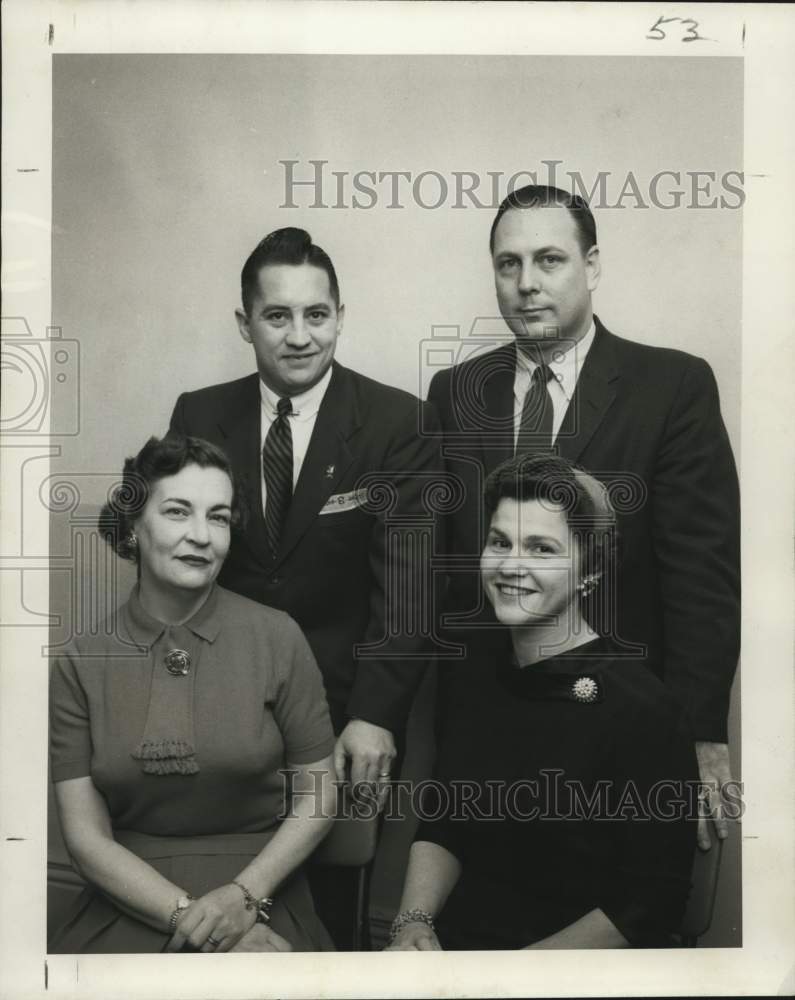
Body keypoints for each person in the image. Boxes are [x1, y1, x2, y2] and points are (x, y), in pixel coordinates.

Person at [427, 185, 740, 850]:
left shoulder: (670, 387)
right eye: (507, 265)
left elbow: (700, 577)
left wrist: (700, 732)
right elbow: (442, 567)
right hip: (486, 725)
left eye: (548, 260)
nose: (526, 284)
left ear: (591, 266)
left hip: (615, 729)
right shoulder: (454, 394)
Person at [167, 226, 443, 946]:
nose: (299, 336)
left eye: (316, 315)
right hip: (218, 710)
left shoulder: (396, 422)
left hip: (342, 716)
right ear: (244, 323)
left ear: (340, 316)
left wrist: (378, 714)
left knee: (328, 922)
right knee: (214, 906)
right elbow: (178, 562)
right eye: (277, 316)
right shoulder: (199, 413)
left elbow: (410, 587)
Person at [387, 454, 698, 951]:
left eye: (542, 549)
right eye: (499, 542)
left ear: (588, 571)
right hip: (460, 953)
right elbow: (447, 822)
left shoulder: (644, 711)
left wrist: (511, 979)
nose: (511, 565)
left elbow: (649, 905)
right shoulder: (474, 677)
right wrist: (412, 923)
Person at [49, 434, 337, 953]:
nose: (202, 536)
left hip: (262, 890)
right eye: (179, 512)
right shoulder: (80, 661)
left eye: (219, 517)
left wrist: (244, 899)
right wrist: (195, 920)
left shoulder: (278, 637)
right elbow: (85, 840)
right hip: (130, 900)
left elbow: (320, 798)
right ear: (134, 525)